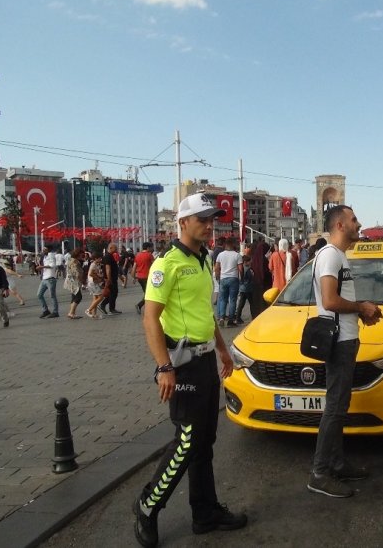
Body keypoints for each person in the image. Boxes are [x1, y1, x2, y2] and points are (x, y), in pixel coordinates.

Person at [134, 192, 246, 547]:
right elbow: (149, 317)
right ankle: (147, 506)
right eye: (202, 219)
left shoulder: (203, 258)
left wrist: (223, 350)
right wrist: (163, 367)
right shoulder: (166, 264)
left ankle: (205, 512)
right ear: (182, 222)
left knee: (204, 442)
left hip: (204, 362)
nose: (209, 225)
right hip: (180, 365)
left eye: (212, 219)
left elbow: (205, 313)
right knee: (185, 442)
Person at [307, 205, 382, 498]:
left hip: (345, 338)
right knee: (335, 408)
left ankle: (337, 463)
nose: (358, 223)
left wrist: (361, 310)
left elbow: (339, 300)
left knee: (339, 407)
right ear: (340, 224)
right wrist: (360, 307)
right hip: (339, 342)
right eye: (353, 219)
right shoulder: (329, 255)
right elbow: (329, 300)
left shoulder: (339, 256)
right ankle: (320, 472)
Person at [214, 237, 243, 327]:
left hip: (223, 279)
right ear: (233, 245)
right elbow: (241, 269)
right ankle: (231, 320)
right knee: (232, 300)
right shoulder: (237, 255)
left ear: (225, 245)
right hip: (233, 279)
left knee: (223, 299)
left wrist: (218, 278)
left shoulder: (220, 255)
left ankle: (222, 318)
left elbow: (217, 268)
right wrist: (241, 278)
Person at [36, 246, 59, 318]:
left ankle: (55, 312)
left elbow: (52, 265)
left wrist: (42, 267)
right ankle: (45, 310)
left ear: (48, 249)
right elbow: (46, 267)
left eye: (45, 249)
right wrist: (42, 272)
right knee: (39, 295)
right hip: (44, 278)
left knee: (52, 296)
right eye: (42, 249)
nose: (43, 250)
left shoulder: (51, 255)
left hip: (51, 279)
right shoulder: (44, 257)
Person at [98, 243, 121, 315]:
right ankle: (108, 308)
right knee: (113, 293)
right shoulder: (108, 256)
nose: (116, 249)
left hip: (112, 278)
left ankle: (108, 307)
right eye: (115, 248)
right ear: (110, 248)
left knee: (113, 293)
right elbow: (108, 268)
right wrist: (109, 279)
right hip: (110, 279)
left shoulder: (110, 256)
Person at [133, 242, 154, 315]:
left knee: (146, 293)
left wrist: (134, 277)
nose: (152, 248)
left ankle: (146, 308)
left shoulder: (137, 255)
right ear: (148, 248)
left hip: (140, 278)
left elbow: (134, 267)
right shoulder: (149, 255)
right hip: (147, 277)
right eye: (151, 247)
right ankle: (140, 305)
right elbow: (155, 266)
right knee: (149, 294)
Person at [85, 252, 106, 319]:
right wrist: (98, 278)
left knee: (95, 298)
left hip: (92, 283)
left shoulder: (96, 264)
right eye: (99, 258)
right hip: (93, 283)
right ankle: (89, 310)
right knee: (101, 297)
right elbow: (91, 274)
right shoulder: (93, 264)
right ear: (95, 258)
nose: (101, 259)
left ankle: (94, 314)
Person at [234, 255, 254, 324]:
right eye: (249, 261)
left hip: (242, 288)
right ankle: (254, 316)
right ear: (246, 262)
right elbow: (250, 278)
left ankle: (237, 317)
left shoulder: (242, 268)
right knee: (252, 303)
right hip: (247, 288)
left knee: (241, 303)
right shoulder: (247, 269)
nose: (251, 262)